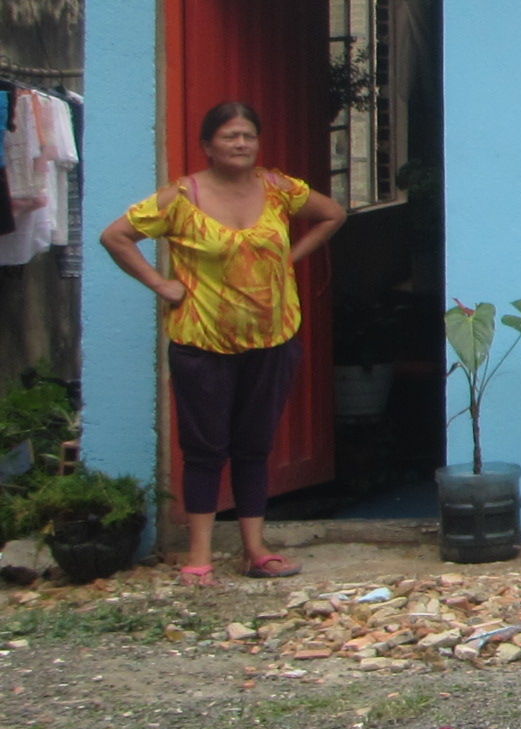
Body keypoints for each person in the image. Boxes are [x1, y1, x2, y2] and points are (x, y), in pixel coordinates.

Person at [100, 100, 347, 583]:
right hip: (202, 340)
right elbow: (116, 236)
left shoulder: (279, 189)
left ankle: (256, 549)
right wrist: (161, 284)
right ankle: (199, 556)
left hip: (272, 337)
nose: (241, 144)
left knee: (255, 446)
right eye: (230, 136)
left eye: (248, 136)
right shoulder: (180, 197)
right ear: (207, 146)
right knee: (205, 449)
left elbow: (332, 214)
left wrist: (288, 259)